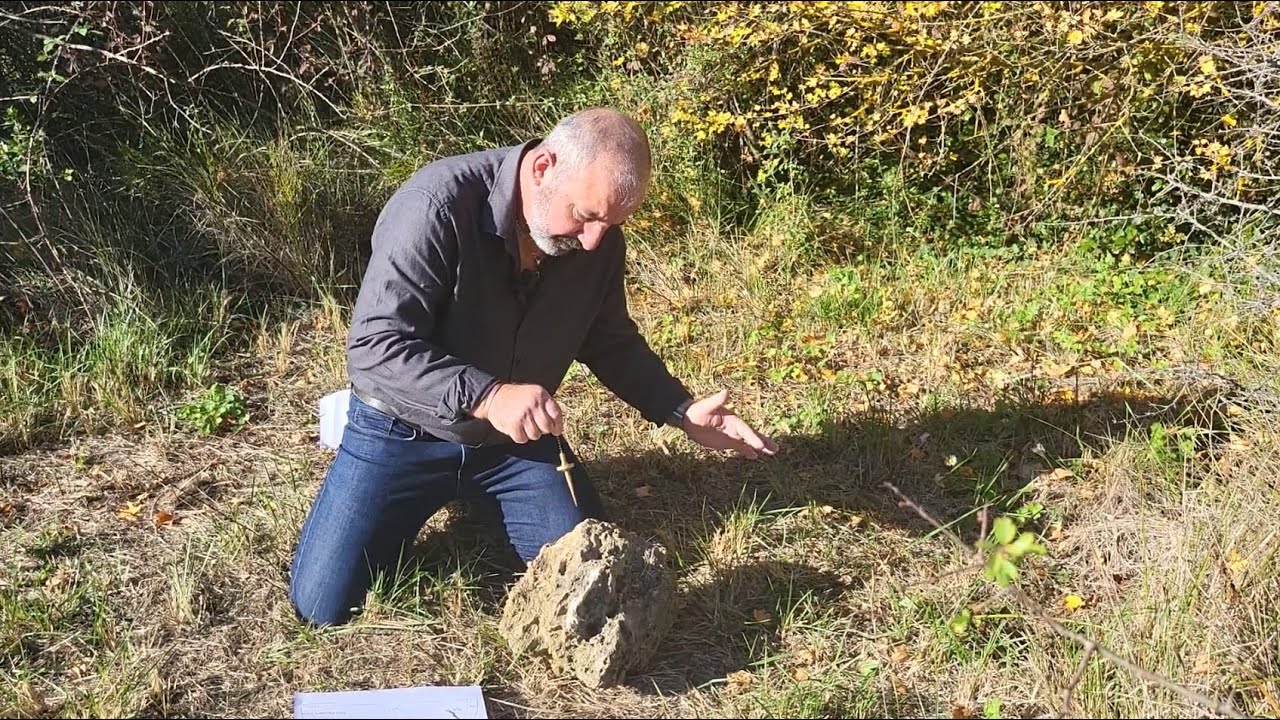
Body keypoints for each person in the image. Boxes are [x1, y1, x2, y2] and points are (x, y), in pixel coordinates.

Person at [288, 107, 779, 627]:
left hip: (514, 446)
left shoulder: (597, 237)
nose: (595, 240)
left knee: (594, 588)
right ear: (543, 167)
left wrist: (680, 409)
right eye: (586, 215)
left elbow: (609, 340)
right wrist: (490, 396)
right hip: (400, 432)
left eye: (611, 224)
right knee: (323, 605)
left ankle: (488, 496)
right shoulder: (434, 205)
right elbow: (375, 345)